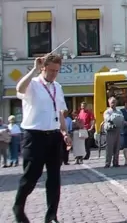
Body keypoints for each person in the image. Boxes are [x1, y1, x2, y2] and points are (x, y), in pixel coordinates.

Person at [12, 54, 71, 223]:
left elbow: (59, 111)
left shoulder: (57, 87)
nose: (54, 74)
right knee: (31, 176)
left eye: (57, 71)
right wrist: (33, 70)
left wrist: (65, 133)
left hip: (53, 136)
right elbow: (19, 88)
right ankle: (18, 207)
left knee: (54, 178)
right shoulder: (33, 84)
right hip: (34, 136)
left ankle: (51, 215)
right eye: (51, 70)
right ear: (43, 68)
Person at [101, 97, 124, 168]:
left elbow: (122, 119)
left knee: (117, 147)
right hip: (110, 131)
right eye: (112, 102)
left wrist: (117, 119)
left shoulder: (119, 111)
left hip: (117, 130)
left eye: (114, 102)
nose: (113, 104)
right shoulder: (107, 111)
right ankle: (107, 163)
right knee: (109, 148)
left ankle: (116, 162)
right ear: (109, 103)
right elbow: (108, 119)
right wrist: (115, 118)